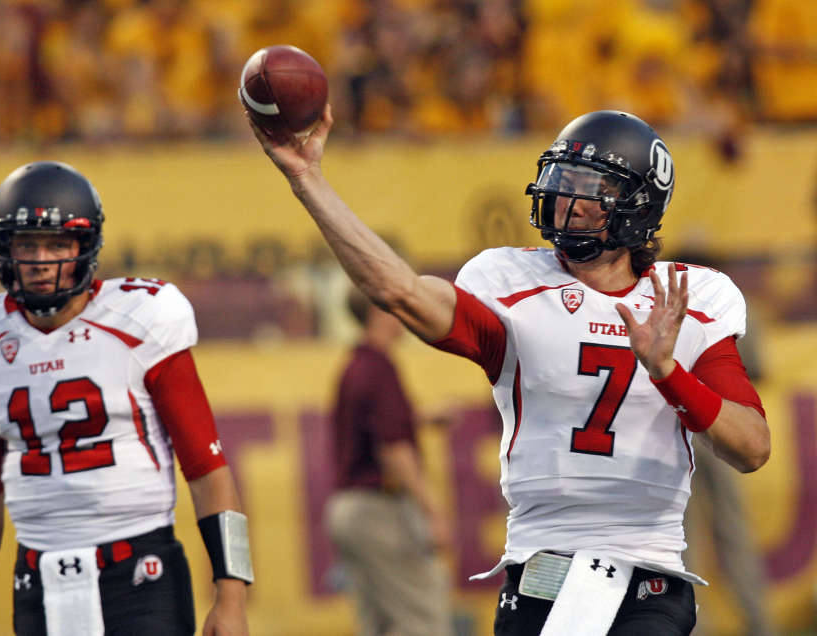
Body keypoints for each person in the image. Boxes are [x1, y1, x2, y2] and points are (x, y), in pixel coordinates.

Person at [248, 107, 771, 635]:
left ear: (638, 205)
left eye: (590, 187)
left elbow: (751, 448)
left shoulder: (688, 298)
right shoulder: (512, 284)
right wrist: (307, 179)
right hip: (538, 572)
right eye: (563, 180)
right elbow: (398, 292)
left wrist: (668, 373)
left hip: (646, 578)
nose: (566, 200)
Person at [0, 161, 253, 636]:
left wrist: (232, 595)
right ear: (4, 249)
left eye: (57, 244)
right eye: (26, 244)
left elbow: (208, 471)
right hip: (38, 577)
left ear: (85, 246)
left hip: (139, 570)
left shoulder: (141, 319)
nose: (40, 260)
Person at [325, 289, 454, 636]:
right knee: (422, 622)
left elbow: (374, 428)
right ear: (380, 311)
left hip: (349, 509)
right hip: (379, 510)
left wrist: (421, 418)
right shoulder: (379, 367)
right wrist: (432, 512)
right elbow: (393, 449)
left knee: (380, 625)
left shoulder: (356, 364)